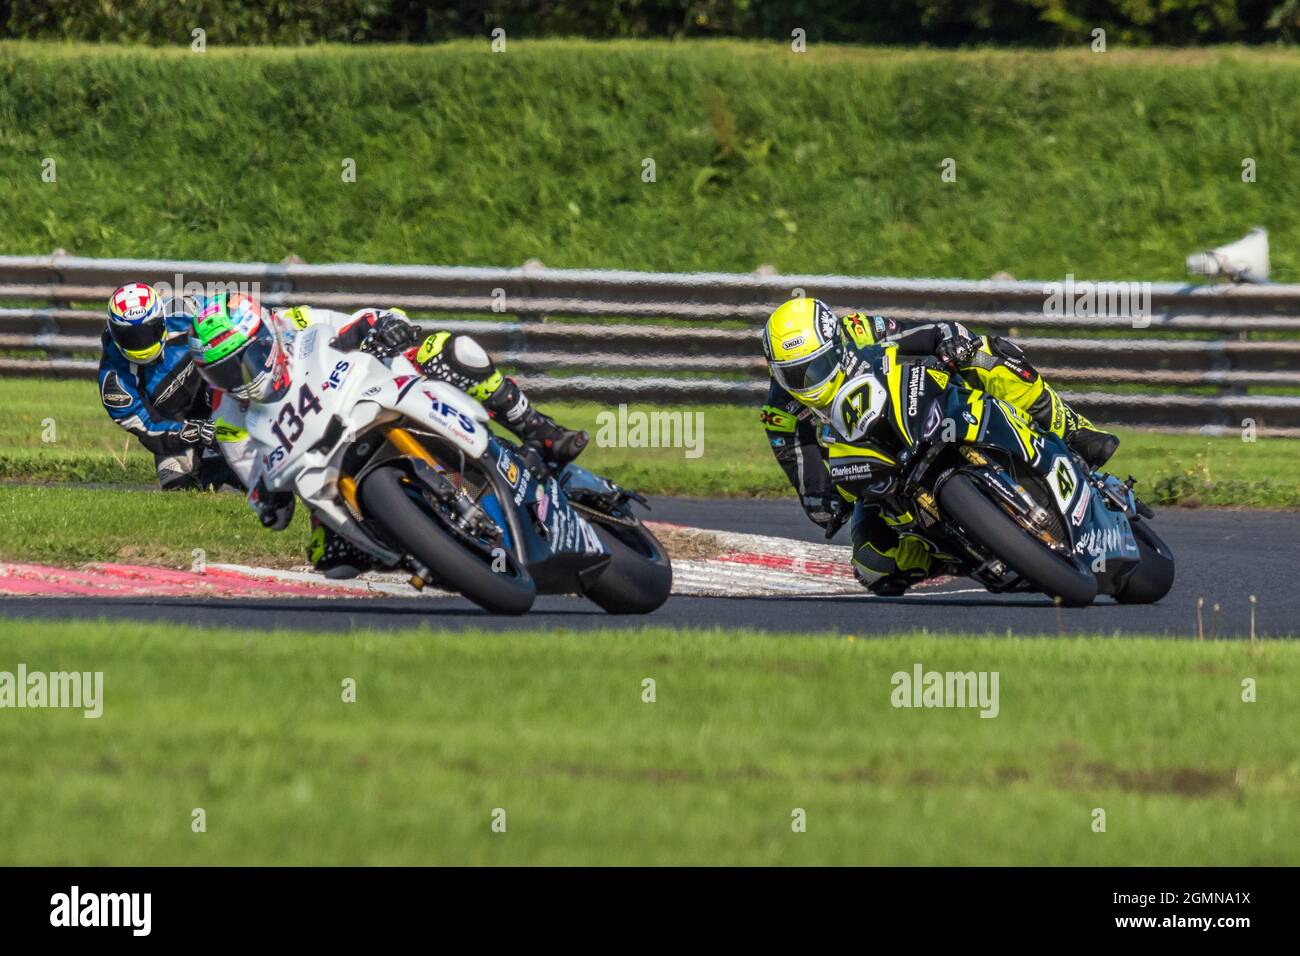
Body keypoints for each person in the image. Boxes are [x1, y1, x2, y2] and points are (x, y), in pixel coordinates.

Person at [187, 294, 588, 575]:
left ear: (264, 338)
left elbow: (362, 319)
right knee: (334, 558)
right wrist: (267, 499)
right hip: (326, 456)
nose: (238, 378)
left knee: (447, 351)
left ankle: (538, 430)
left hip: (373, 391)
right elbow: (256, 482)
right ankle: (421, 549)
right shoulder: (228, 417)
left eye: (244, 362)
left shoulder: (295, 322)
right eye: (221, 372)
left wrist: (386, 324)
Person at [760, 296, 1120, 596]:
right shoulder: (781, 413)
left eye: (818, 365)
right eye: (797, 374)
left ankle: (1072, 429)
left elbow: (935, 332)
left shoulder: (858, 330)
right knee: (872, 566)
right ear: (777, 374)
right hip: (877, 475)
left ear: (835, 345)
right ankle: (960, 551)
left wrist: (952, 345)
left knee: (985, 353)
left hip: (921, 410)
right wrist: (831, 499)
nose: (811, 381)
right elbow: (811, 488)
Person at [97, 282, 236, 490]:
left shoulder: (184, 310)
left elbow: (233, 309)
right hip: (176, 433)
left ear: (161, 319)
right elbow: (148, 429)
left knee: (260, 481)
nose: (140, 343)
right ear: (113, 332)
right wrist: (193, 432)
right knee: (177, 489)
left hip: (222, 404)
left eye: (147, 331)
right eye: (130, 337)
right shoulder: (114, 381)